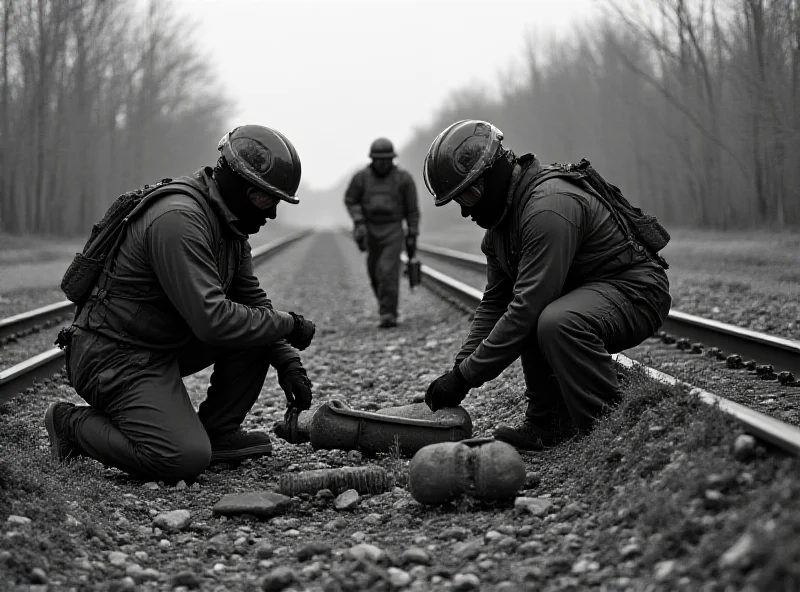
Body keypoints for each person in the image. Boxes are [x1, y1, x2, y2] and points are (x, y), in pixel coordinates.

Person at [44, 124, 318, 483]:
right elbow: (214, 321)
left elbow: (252, 303)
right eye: (267, 199)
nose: (271, 215)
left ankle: (218, 432)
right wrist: (291, 324)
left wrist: (287, 360)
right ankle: (69, 424)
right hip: (114, 355)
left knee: (259, 330)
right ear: (239, 184)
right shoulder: (179, 221)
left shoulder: (229, 226)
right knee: (181, 458)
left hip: (159, 345)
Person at [421, 120, 672, 450]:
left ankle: (609, 428)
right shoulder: (500, 228)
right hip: (590, 291)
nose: (466, 210)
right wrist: (458, 370)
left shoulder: (548, 208)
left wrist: (466, 377)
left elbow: (528, 307)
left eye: (468, 194)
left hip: (637, 289)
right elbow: (495, 304)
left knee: (554, 320)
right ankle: (549, 423)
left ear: (491, 174)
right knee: (541, 316)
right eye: (458, 201)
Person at [344, 137, 420, 328]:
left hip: (393, 230)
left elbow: (412, 210)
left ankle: (388, 314)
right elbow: (350, 199)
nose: (383, 163)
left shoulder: (404, 179)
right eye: (379, 159)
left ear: (393, 159)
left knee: (387, 270)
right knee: (374, 272)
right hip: (370, 230)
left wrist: (412, 233)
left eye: (387, 159)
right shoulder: (361, 178)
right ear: (372, 159)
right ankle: (385, 305)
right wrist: (359, 220)